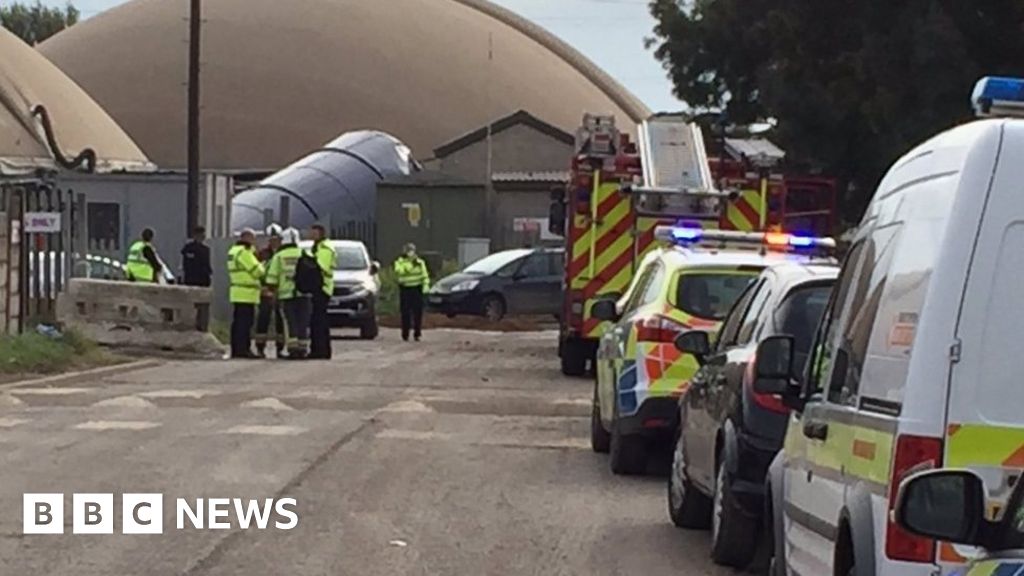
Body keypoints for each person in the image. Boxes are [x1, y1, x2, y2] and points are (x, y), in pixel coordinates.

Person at [266, 228, 311, 359]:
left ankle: (293, 349)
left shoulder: (279, 256)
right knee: (303, 321)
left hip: (286, 295)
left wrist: (272, 292)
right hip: (304, 294)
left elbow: (272, 278)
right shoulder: (304, 253)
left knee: (290, 322)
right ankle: (303, 348)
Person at [227, 228, 265, 359]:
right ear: (247, 238)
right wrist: (261, 264)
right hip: (247, 292)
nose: (254, 242)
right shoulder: (244, 252)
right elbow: (257, 271)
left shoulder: (233, 251)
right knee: (245, 324)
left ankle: (236, 349)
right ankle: (244, 349)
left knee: (237, 323)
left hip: (237, 291)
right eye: (253, 239)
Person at [254, 224, 286, 358]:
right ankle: (260, 347)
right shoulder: (262, 254)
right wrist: (262, 288)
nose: (274, 242)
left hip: (281, 291)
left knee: (281, 321)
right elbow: (255, 271)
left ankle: (280, 348)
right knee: (263, 319)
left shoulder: (283, 254)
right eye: (272, 239)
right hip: (266, 290)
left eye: (277, 239)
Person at [308, 223, 336, 360]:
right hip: (319, 287)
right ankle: (319, 349)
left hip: (322, 287)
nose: (311, 235)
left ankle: (320, 350)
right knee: (318, 320)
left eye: (314, 233)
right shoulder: (317, 247)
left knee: (319, 321)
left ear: (321, 234)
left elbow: (320, 266)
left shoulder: (325, 248)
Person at [393, 242, 430, 342]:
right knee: (405, 313)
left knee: (418, 313)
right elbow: (399, 271)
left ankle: (417, 334)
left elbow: (425, 276)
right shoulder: (399, 262)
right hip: (405, 290)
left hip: (417, 290)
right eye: (408, 250)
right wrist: (410, 265)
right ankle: (405, 334)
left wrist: (425, 287)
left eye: (412, 250)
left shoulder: (420, 262)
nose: (410, 252)